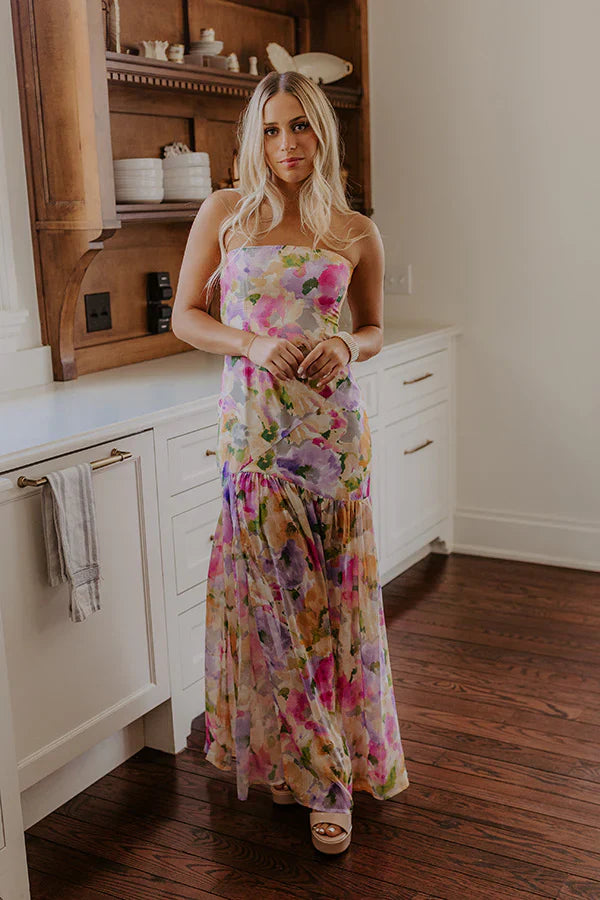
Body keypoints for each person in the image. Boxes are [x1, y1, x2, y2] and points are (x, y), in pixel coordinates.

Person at [172, 70, 409, 855]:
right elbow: (186, 316)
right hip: (253, 437)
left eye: (300, 126)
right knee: (269, 603)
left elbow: (373, 329)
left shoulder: (356, 230)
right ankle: (306, 764)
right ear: (255, 138)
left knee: (328, 609)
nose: (286, 144)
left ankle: (322, 776)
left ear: (322, 131)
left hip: (332, 441)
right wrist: (251, 343)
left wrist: (345, 344)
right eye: (271, 129)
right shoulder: (226, 214)